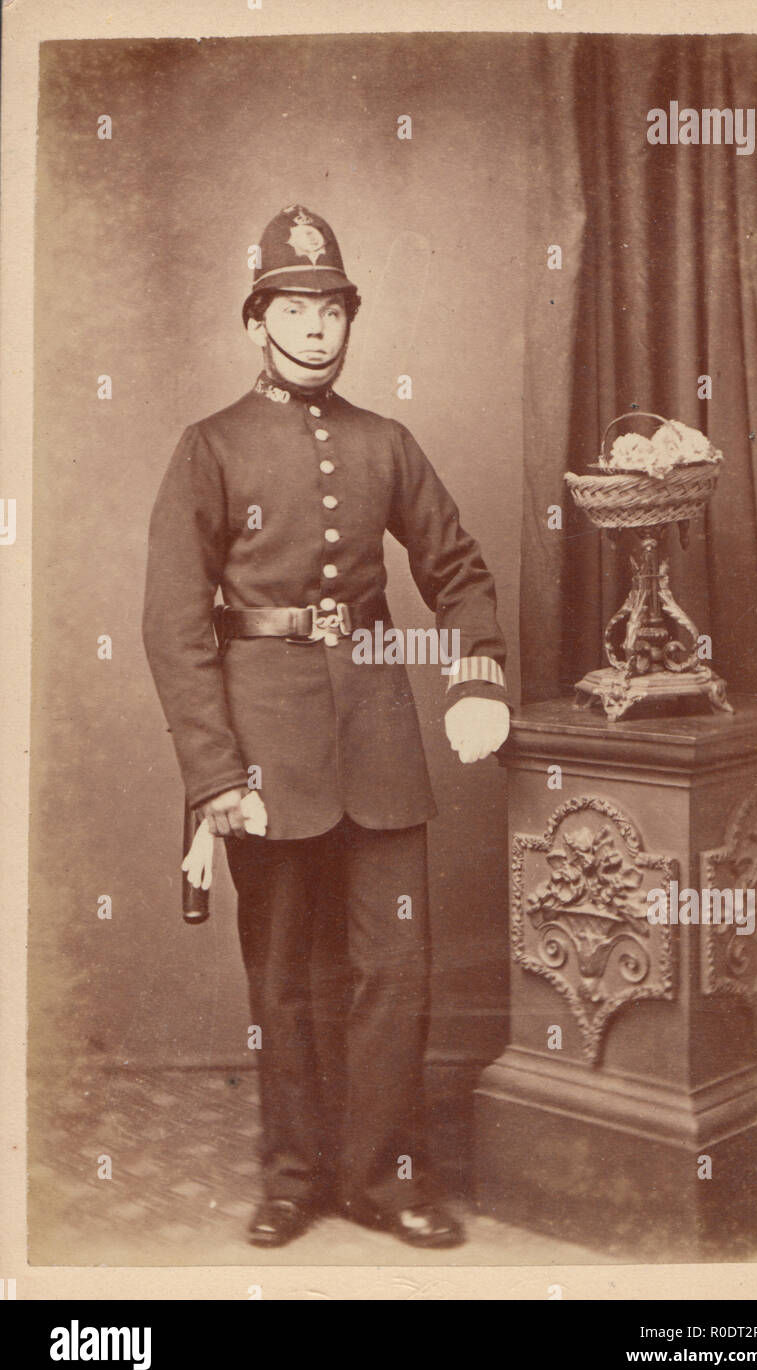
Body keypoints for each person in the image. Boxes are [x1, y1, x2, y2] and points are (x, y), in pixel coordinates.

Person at [143, 205, 510, 1249]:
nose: (315, 327)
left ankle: (384, 1178)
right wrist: (216, 775)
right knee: (288, 977)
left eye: (331, 308)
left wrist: (475, 670)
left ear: (349, 321)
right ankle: (295, 1173)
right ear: (256, 321)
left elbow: (456, 567)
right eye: (293, 308)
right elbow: (173, 628)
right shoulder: (208, 448)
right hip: (265, 754)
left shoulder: (383, 440)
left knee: (395, 970)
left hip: (382, 741)